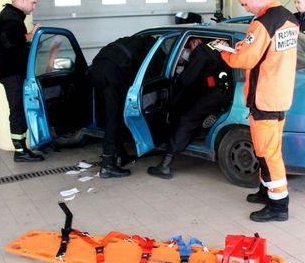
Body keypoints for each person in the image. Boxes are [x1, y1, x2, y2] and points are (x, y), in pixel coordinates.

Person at [217, 0, 299, 223]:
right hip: (279, 95)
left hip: (264, 98)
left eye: (244, 3)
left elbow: (245, 60)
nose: (245, 8)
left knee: (268, 153)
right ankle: (266, 190)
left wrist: (223, 52)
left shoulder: (263, 22)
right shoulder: (288, 19)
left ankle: (279, 205)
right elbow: (267, 53)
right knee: (266, 149)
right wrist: (244, 47)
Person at [147, 37, 233, 179]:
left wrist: (178, 80)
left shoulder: (200, 51)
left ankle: (165, 164)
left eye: (188, 47)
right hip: (225, 91)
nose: (188, 51)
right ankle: (205, 124)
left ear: (195, 41)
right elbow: (209, 74)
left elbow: (187, 80)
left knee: (187, 119)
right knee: (197, 107)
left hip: (213, 94)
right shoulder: (218, 46)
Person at [90, 34, 156, 178]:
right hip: (112, 73)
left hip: (96, 68)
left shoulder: (133, 40)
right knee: (113, 117)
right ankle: (107, 165)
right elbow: (145, 70)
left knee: (113, 115)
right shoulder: (151, 45)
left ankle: (120, 154)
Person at [0, 0, 44, 162]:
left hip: (13, 72)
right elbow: (10, 41)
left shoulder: (11, 16)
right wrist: (31, 35)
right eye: (33, 3)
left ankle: (23, 148)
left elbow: (15, 46)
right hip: (12, 74)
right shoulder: (11, 18)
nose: (34, 7)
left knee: (20, 108)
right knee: (17, 109)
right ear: (23, 0)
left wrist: (31, 42)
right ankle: (20, 151)